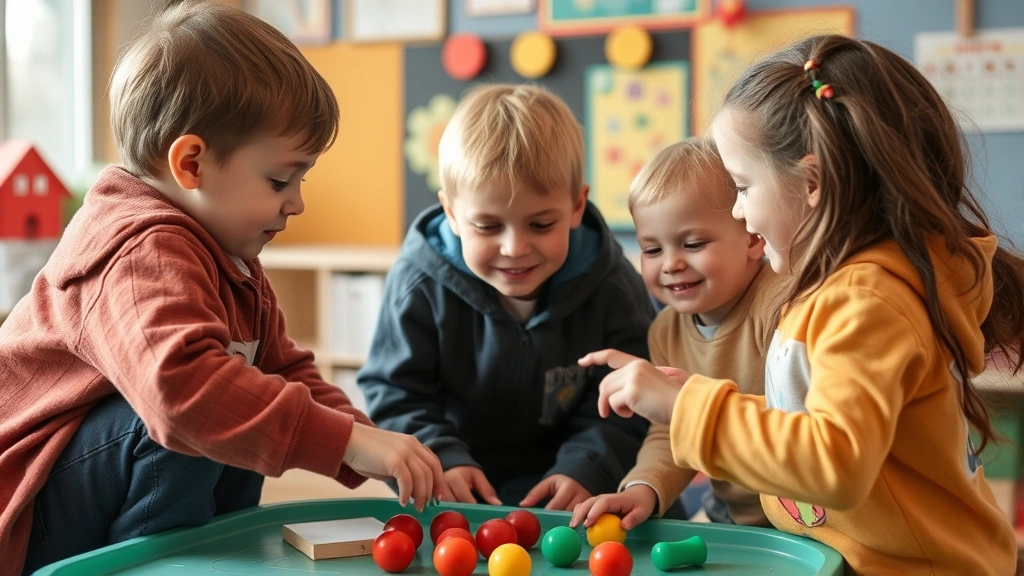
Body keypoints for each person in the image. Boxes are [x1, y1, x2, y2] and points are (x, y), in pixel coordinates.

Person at [0, 2, 444, 574]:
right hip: (30, 505)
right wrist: (345, 442)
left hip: (87, 485)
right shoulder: (136, 250)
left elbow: (286, 372)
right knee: (203, 407)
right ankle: (161, 565)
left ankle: (211, 550)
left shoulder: (228, 256)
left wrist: (369, 444)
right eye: (280, 180)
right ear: (191, 163)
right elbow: (179, 394)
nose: (297, 202)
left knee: (247, 398)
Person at [582, 34, 1024, 575]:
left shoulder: (865, 302)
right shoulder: (846, 288)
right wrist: (691, 398)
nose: (739, 212)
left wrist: (686, 406)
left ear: (810, 183)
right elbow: (822, 424)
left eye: (743, 187)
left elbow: (834, 462)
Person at [357, 83, 654, 512]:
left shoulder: (613, 286)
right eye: (488, 226)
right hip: (456, 489)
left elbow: (634, 396)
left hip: (576, 491)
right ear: (452, 213)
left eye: (540, 224)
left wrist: (587, 467)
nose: (514, 248)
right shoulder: (418, 284)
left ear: (576, 206)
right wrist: (441, 457)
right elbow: (395, 391)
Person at [570, 139, 776, 531]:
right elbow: (671, 430)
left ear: (752, 237)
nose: (671, 264)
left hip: (809, 521)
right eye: (651, 250)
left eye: (693, 244)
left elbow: (804, 423)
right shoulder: (665, 330)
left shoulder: (782, 306)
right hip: (733, 518)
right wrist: (642, 488)